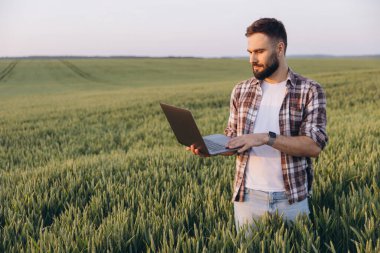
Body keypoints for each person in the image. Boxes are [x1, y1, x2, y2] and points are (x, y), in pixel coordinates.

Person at [187, 17, 328, 232]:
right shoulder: (241, 90)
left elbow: (313, 147)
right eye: (250, 52)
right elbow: (234, 141)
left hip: (292, 199)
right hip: (247, 198)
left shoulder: (309, 90)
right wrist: (211, 150)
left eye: (259, 51)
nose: (252, 59)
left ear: (280, 48)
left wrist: (265, 137)